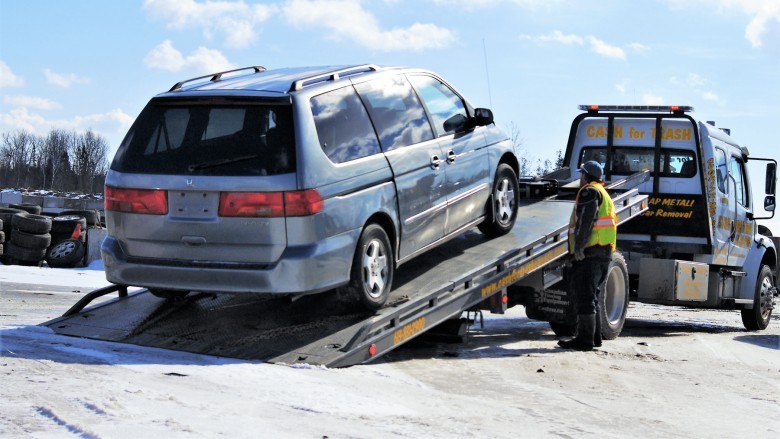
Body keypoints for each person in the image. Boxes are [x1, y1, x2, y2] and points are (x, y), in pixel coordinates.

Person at [558, 160, 617, 351]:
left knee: (585, 297)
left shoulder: (589, 191)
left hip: (590, 253)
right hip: (604, 253)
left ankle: (585, 340)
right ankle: (595, 338)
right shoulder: (604, 192)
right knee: (592, 296)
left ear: (586, 175)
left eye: (582, 173)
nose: (580, 176)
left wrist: (579, 248)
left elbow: (585, 222)